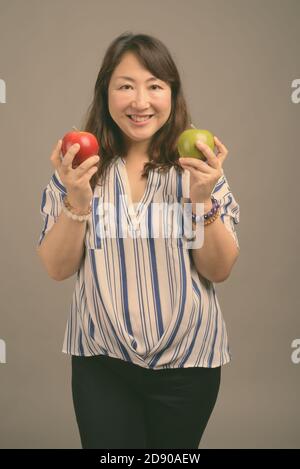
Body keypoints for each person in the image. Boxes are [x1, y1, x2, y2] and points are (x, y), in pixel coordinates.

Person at [36, 32, 240, 449]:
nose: (140, 101)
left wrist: (202, 201)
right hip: (102, 364)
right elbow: (57, 269)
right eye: (126, 86)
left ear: (172, 94)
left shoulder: (198, 166)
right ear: (106, 93)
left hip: (190, 364)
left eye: (154, 87)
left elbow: (218, 269)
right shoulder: (79, 167)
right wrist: (76, 199)